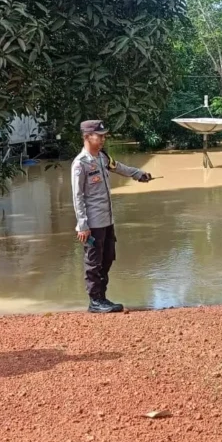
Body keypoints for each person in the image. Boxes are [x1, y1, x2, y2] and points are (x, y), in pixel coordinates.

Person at [71, 120, 152, 314]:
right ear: (87, 137)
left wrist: (138, 174)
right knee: (93, 262)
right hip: (92, 222)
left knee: (107, 258)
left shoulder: (102, 157)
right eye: (99, 135)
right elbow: (77, 196)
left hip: (107, 220)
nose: (102, 138)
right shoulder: (80, 164)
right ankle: (95, 301)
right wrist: (82, 225)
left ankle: (102, 298)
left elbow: (119, 167)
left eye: (103, 135)